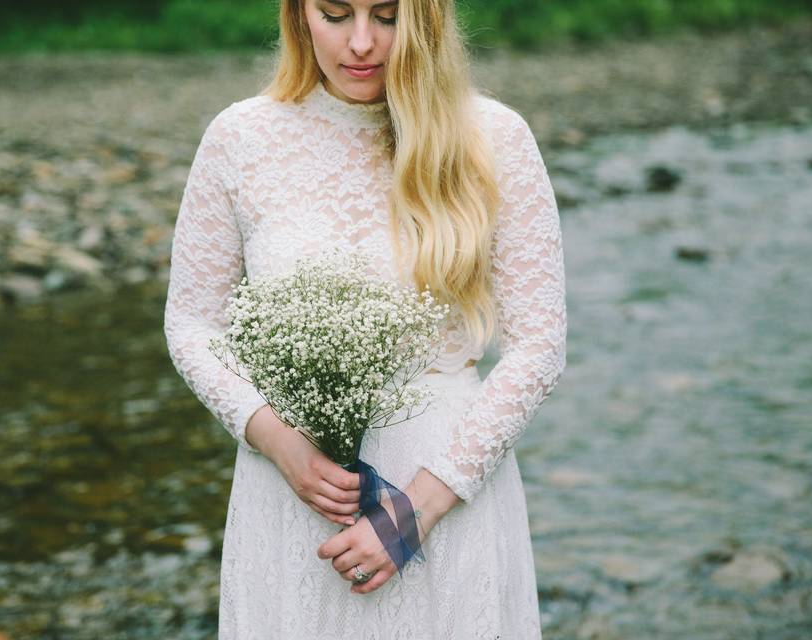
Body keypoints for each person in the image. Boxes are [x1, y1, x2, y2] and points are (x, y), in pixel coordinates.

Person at [163, 0, 567, 637]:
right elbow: (191, 324)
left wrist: (421, 507)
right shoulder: (241, 138)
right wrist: (276, 439)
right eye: (335, 13)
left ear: (427, 20)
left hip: (445, 487)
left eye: (386, 16)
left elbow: (539, 345)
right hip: (294, 492)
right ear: (298, 15)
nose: (361, 43)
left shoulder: (494, 137)